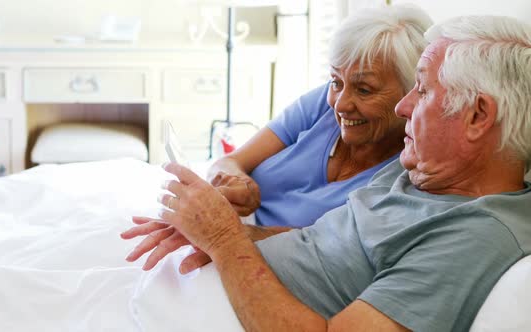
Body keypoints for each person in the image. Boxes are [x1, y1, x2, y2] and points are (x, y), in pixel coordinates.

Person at [123, 14, 531, 331]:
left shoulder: (470, 237)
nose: (404, 106)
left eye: (422, 90)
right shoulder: (425, 174)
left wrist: (225, 240)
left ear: (478, 115)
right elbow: (326, 241)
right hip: (211, 282)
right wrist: (220, 231)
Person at [206, 5, 432, 228]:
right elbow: (228, 162)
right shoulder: (322, 102)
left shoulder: (409, 175)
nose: (340, 104)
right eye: (336, 81)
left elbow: (321, 250)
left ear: (414, 92)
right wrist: (236, 182)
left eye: (364, 89)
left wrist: (227, 233)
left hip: (253, 253)